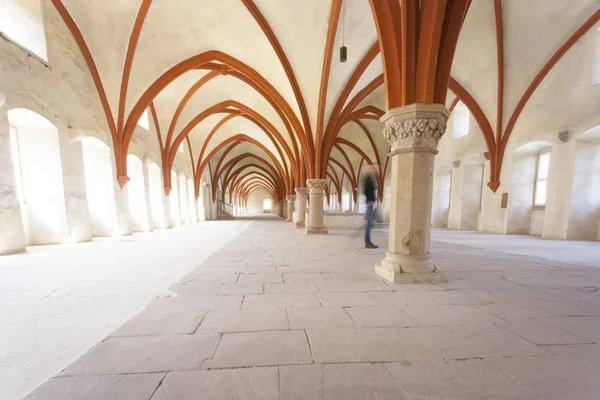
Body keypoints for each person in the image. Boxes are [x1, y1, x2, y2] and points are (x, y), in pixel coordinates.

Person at [362, 165, 378, 249]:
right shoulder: (368, 178)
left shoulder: (370, 178)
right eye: (374, 169)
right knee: (369, 223)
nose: (376, 170)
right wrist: (369, 200)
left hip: (370, 202)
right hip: (370, 203)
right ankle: (367, 242)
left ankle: (368, 241)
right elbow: (365, 191)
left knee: (370, 223)